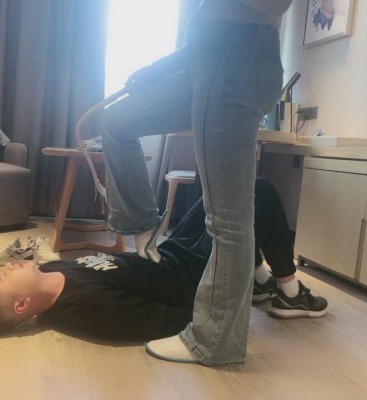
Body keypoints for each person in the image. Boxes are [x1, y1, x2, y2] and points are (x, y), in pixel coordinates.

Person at [98, 0, 293, 365]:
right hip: (207, 55)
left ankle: (216, 342)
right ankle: (145, 230)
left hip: (239, 57)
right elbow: (209, 29)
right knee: (116, 122)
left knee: (227, 218)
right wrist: (159, 68)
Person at [0, 179, 327, 341]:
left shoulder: (49, 271)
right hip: (195, 276)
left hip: (171, 254)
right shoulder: (87, 309)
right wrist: (225, 302)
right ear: (22, 305)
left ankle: (258, 280)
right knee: (257, 190)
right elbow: (164, 321)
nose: (7, 268)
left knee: (215, 192)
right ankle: (289, 293)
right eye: (2, 278)